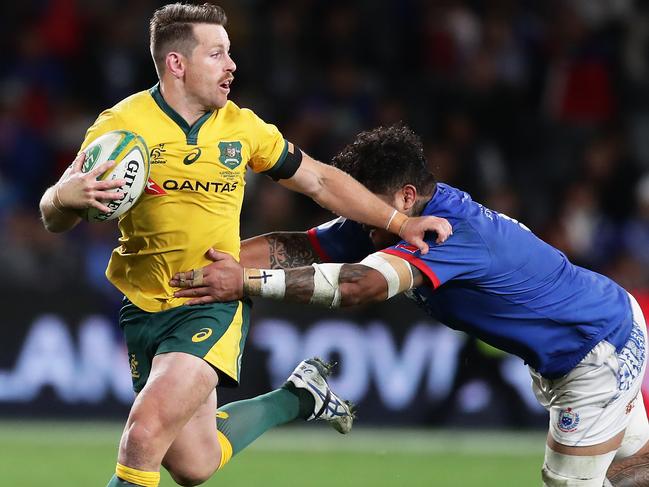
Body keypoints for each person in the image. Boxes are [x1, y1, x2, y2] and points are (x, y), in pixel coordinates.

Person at [38, 4, 453, 487]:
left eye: (229, 54)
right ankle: (299, 396)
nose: (231, 65)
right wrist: (60, 197)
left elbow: (318, 180)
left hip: (210, 301)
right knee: (194, 464)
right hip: (143, 306)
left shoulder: (242, 128)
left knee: (143, 435)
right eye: (217, 54)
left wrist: (400, 221)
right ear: (178, 64)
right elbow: (55, 216)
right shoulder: (120, 127)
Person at [172, 124, 649, 486]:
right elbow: (300, 247)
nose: (360, 222)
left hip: (593, 348)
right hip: (603, 322)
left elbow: (361, 285)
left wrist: (245, 282)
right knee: (632, 471)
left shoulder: (447, 231)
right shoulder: (384, 217)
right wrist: (196, 264)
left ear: (405, 197)